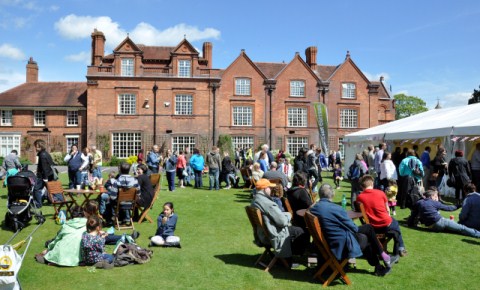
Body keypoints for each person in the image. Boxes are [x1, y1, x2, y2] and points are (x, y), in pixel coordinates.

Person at [310, 184, 397, 277]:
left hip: (327, 241)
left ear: (320, 194)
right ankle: (382, 258)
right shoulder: (336, 209)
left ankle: (380, 262)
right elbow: (354, 228)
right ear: (333, 194)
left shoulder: (314, 208)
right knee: (367, 234)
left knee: (368, 231)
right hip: (340, 244)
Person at [251, 179, 309, 266]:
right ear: (264, 189)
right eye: (269, 188)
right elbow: (282, 222)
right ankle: (288, 258)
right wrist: (289, 215)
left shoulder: (256, 200)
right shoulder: (267, 203)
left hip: (263, 233)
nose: (271, 189)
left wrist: (284, 214)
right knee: (301, 232)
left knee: (297, 230)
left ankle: (289, 256)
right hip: (273, 234)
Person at [357, 175, 407, 257]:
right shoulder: (380, 193)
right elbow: (387, 209)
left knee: (393, 223)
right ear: (372, 184)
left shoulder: (359, 197)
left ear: (362, 186)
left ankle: (396, 247)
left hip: (372, 227)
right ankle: (400, 247)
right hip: (385, 225)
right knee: (395, 224)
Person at [407, 189, 480, 238]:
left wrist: (410, 224)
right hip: (440, 222)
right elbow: (449, 208)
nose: (437, 198)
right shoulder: (434, 202)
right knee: (462, 228)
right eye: (436, 196)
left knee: (454, 229)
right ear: (432, 196)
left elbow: (413, 215)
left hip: (431, 227)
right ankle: (478, 234)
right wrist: (459, 205)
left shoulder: (418, 203)